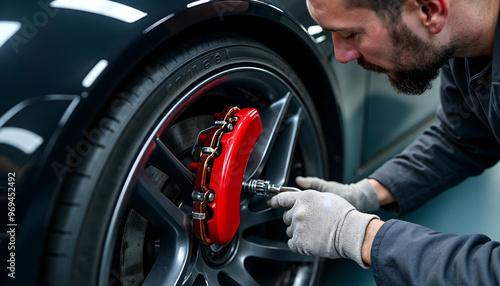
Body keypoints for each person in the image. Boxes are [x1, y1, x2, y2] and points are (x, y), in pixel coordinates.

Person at [269, 0, 500, 284]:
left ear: (430, 11)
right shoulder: (464, 44)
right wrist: (364, 193)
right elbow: (463, 138)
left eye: (352, 34)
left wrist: (360, 236)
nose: (341, 55)